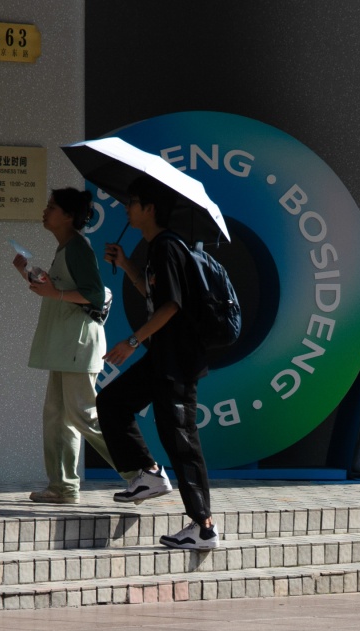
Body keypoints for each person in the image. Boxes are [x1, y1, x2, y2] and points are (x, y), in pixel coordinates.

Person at [98, 178, 217, 551]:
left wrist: (132, 341)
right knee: (113, 402)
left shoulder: (167, 247)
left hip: (176, 362)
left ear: (150, 209)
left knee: (181, 441)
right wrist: (127, 264)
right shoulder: (156, 249)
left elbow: (172, 305)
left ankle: (204, 527)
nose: (128, 209)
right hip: (162, 358)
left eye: (133, 203)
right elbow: (155, 294)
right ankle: (148, 473)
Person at [18, 186, 123, 504]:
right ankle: (62, 487)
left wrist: (55, 293)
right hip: (66, 345)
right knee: (57, 416)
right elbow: (68, 288)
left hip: (78, 344)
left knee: (82, 415)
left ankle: (141, 471)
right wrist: (43, 282)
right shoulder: (67, 248)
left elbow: (92, 293)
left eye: (51, 207)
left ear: (67, 216)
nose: (45, 211)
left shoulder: (77, 247)